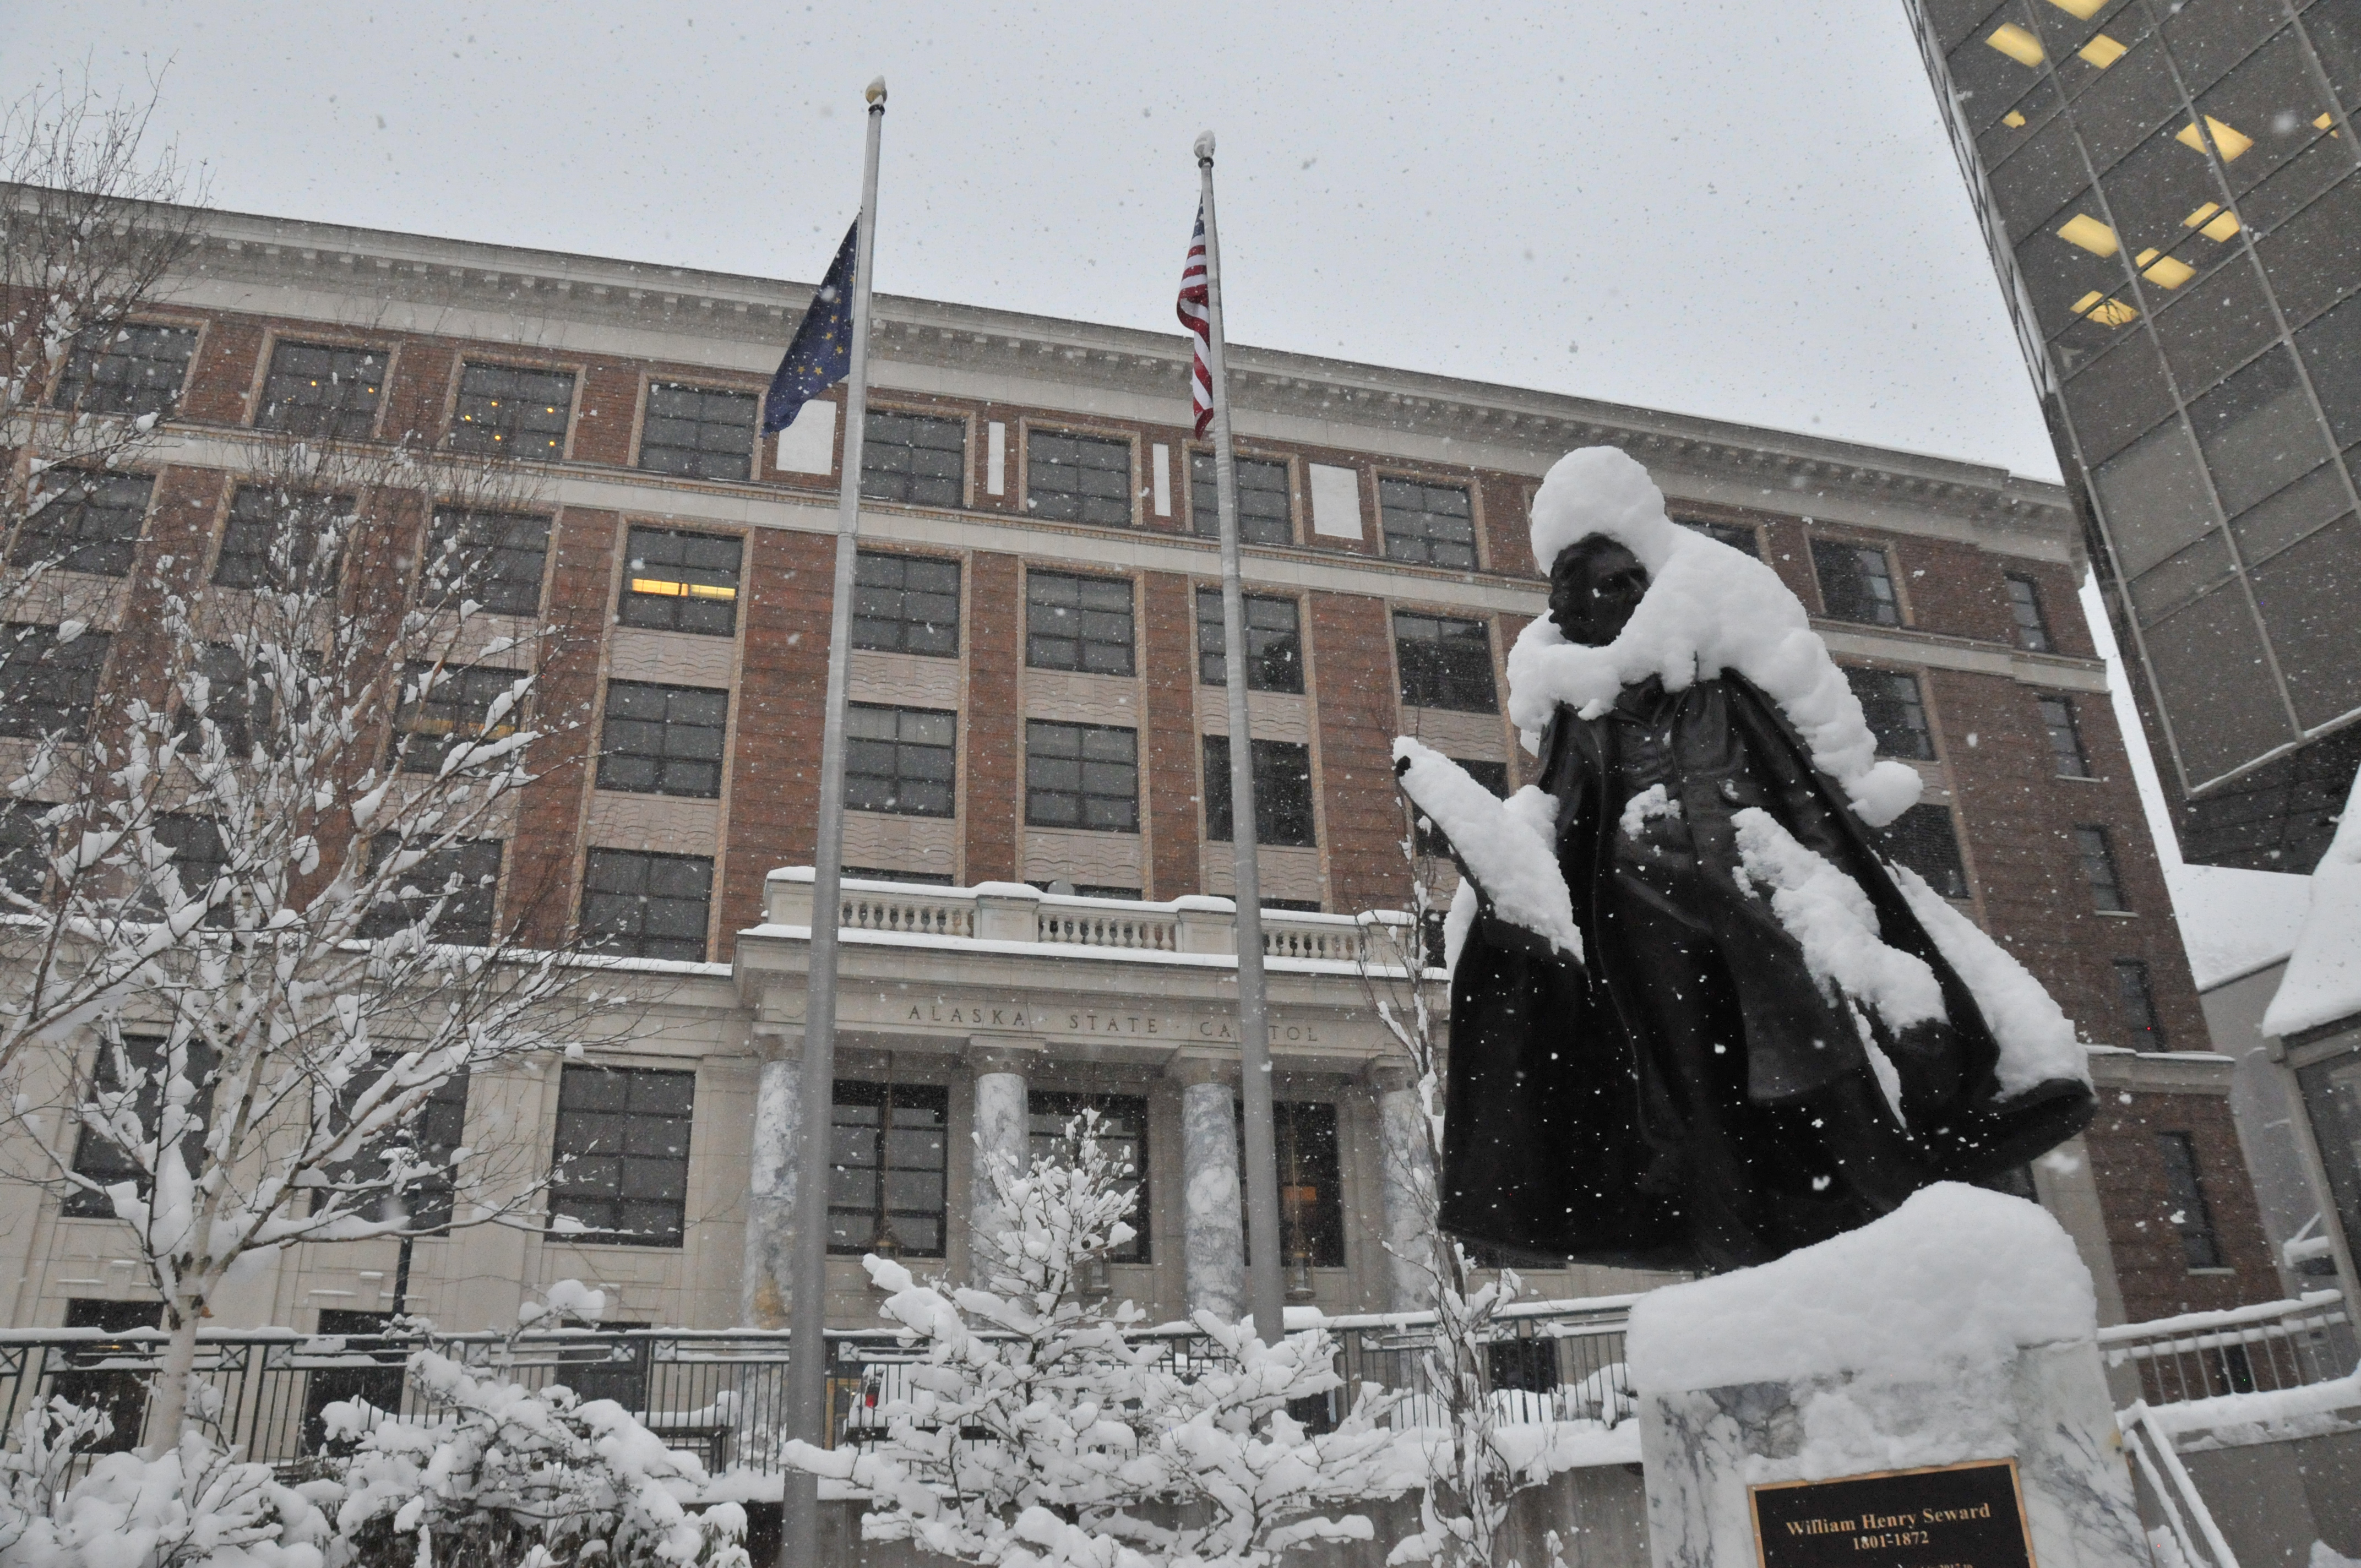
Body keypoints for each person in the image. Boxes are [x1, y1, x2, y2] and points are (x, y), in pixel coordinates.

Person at [1424, 532, 2095, 1273]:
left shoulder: (1721, 695)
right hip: (1648, 933)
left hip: (1757, 907)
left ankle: (1912, 1223)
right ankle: (1736, 1257)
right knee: (1695, 1101)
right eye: (1597, 593)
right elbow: (1558, 827)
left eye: (1624, 586)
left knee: (1832, 1065)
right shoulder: (1583, 723)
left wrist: (1848, 876)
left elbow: (1806, 801)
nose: (1615, 603)